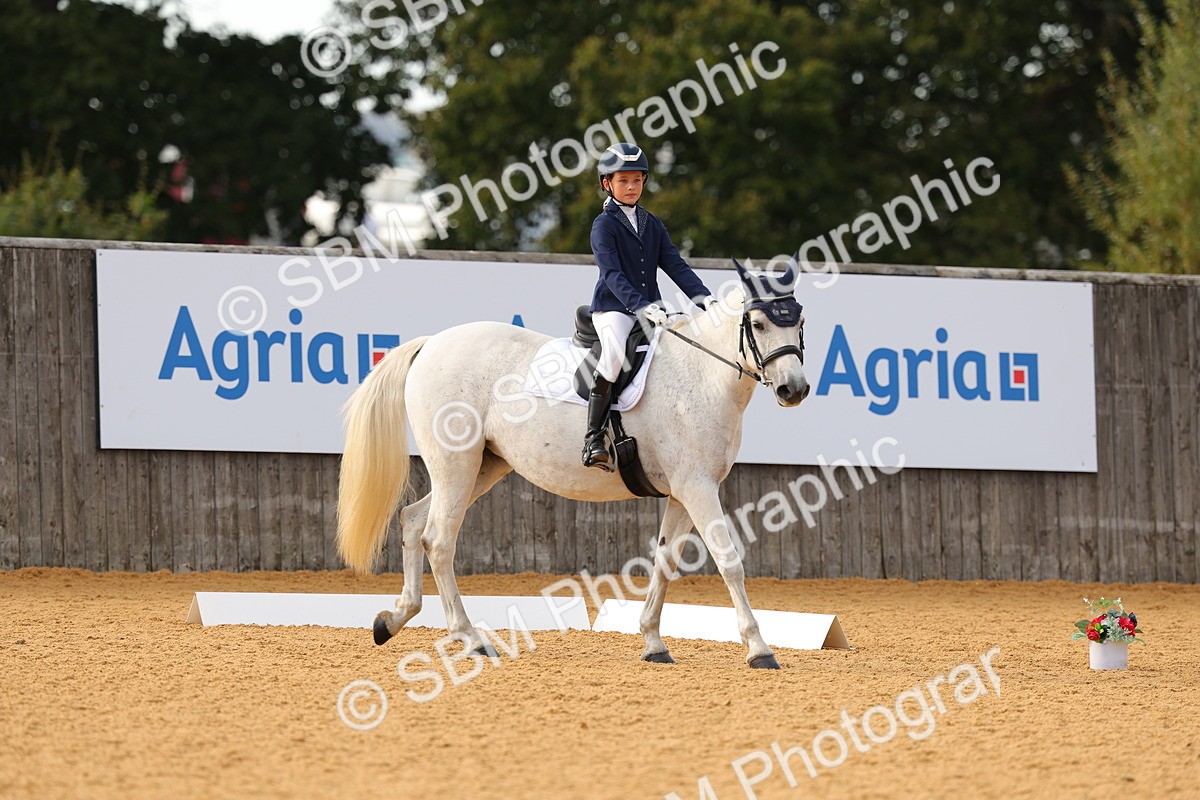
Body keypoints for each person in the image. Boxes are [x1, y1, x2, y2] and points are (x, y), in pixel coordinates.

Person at [583, 142, 716, 470]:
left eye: (637, 180)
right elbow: (611, 274)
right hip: (613, 309)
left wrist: (706, 299)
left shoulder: (652, 223)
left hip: (650, 309)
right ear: (607, 183)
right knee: (614, 357)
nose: (631, 187)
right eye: (623, 181)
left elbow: (675, 265)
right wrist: (640, 306)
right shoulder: (604, 225)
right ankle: (593, 438)